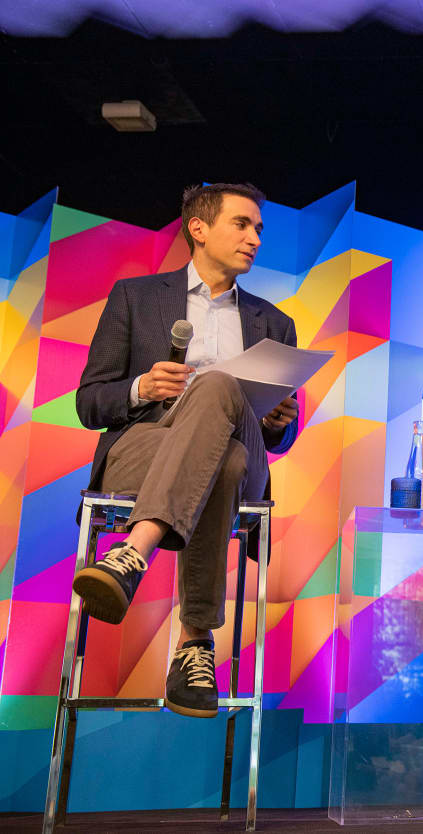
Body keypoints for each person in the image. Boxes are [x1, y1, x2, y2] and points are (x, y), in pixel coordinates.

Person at [73, 183, 301, 717]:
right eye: (241, 224)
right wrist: (140, 389)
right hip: (143, 447)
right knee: (226, 463)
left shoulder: (275, 324)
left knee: (221, 394)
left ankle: (135, 552)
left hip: (238, 442)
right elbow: (88, 403)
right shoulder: (136, 297)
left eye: (259, 229)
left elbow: (279, 440)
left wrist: (275, 421)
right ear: (198, 229)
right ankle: (195, 643)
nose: (254, 239)